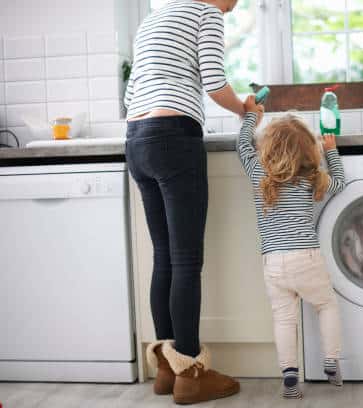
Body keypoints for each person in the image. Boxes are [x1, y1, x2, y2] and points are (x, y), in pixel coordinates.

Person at [123, 0, 244, 404]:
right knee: (187, 261)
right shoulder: (205, 13)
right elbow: (213, 79)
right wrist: (245, 108)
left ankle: (165, 370)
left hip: (137, 141)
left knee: (165, 258)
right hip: (174, 135)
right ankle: (191, 373)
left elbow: (131, 93)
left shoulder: (153, 18)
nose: (232, 7)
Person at [237, 96, 346, 399]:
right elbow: (340, 182)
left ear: (268, 149)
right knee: (325, 305)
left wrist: (251, 117)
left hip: (273, 263)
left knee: (284, 318)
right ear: (308, 150)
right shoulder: (312, 180)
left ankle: (289, 375)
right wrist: (331, 151)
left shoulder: (261, 177)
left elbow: (242, 146)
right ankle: (331, 360)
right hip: (306, 257)